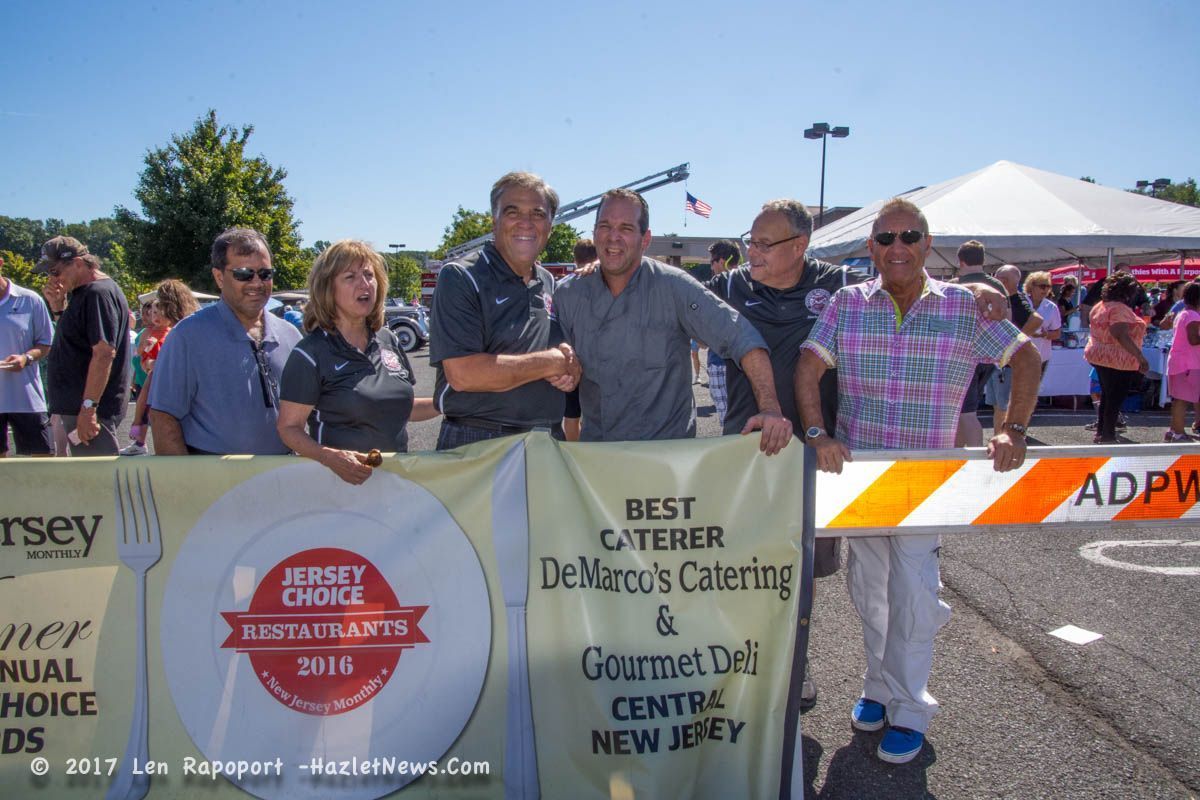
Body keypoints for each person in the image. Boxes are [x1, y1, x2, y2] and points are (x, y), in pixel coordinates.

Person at [796, 197, 1039, 765]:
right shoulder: (848, 303)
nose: (897, 247)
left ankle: (909, 709)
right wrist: (815, 432)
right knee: (870, 593)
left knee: (912, 595)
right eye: (885, 239)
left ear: (929, 244)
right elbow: (808, 365)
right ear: (871, 248)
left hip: (927, 480)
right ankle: (878, 688)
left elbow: (1024, 359)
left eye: (910, 236)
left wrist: (1016, 429)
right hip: (862, 479)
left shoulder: (963, 307)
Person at [552, 188, 791, 453]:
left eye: (626, 228)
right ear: (594, 232)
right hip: (600, 459)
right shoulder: (568, 294)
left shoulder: (674, 286)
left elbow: (743, 339)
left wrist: (770, 409)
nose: (613, 237)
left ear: (646, 239)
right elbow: (552, 361)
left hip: (668, 464)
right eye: (604, 226)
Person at [429, 171, 580, 450]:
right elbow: (463, 374)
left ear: (550, 224)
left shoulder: (548, 282)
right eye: (513, 212)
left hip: (545, 439)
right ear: (494, 220)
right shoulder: (462, 276)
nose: (526, 223)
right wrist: (551, 362)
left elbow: (560, 355)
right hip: (479, 440)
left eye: (538, 213)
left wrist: (569, 371)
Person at [278, 240, 439, 483]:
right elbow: (288, 428)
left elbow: (401, 408)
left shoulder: (388, 340)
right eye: (350, 277)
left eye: (368, 275)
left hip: (395, 484)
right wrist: (329, 457)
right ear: (328, 288)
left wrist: (446, 402)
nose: (364, 284)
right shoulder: (310, 353)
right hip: (337, 488)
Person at [149, 228, 301, 455]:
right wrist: (183, 486)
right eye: (244, 274)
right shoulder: (188, 336)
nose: (257, 283)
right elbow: (163, 418)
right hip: (215, 482)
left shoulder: (290, 335)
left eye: (265, 274)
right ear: (219, 277)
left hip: (280, 478)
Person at [36, 236, 131, 455]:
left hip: (90, 411)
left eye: (55, 271)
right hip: (80, 408)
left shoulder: (97, 293)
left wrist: (89, 409)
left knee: (99, 482)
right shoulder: (85, 293)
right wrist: (59, 309)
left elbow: (104, 353)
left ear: (78, 263)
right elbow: (76, 342)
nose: (52, 279)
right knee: (92, 479)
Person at [122, 280, 200, 455]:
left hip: (175, 406)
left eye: (160, 305)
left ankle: (137, 427)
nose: (153, 311)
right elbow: (144, 362)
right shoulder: (188, 328)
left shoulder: (180, 331)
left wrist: (153, 365)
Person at [1083, 272, 1149, 445]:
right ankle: (1108, 435)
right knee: (1115, 398)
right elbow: (1119, 333)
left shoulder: (1100, 305)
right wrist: (1140, 357)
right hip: (1117, 358)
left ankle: (1102, 432)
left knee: (1107, 395)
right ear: (1128, 292)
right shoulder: (1119, 308)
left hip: (1099, 354)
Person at [951, 240, 1006, 447]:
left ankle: (970, 461)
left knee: (965, 413)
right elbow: (1007, 319)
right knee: (965, 412)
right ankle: (959, 456)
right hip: (990, 357)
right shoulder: (997, 285)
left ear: (960, 260)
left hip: (964, 357)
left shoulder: (956, 285)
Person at [0, 254, 54, 456]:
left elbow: (46, 342)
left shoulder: (30, 300)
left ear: (0, 264)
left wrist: (26, 358)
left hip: (26, 398)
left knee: (42, 461)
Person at [988, 265, 1042, 434]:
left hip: (1008, 362)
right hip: (997, 359)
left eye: (1001, 278)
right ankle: (998, 434)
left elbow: (1037, 320)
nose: (997, 281)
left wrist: (1015, 343)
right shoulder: (1002, 297)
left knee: (1004, 404)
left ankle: (1006, 436)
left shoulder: (1017, 299)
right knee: (998, 404)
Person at [562, 238, 597, 442]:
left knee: (572, 416)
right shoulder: (607, 283)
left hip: (570, 361)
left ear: (575, 259)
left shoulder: (563, 287)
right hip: (597, 362)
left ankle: (574, 457)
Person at [704, 238, 741, 426]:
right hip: (748, 363)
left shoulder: (716, 287)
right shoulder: (751, 284)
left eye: (712, 262)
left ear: (721, 261)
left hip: (720, 361)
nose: (711, 267)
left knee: (726, 419)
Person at [1164, 282, 1200, 442]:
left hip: (1178, 362)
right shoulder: (1193, 315)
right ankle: (1178, 432)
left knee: (1178, 399)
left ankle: (1173, 430)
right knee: (1182, 400)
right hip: (1188, 364)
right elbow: (1193, 339)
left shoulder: (1183, 313)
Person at [1023, 270, 1063, 379]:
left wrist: (1045, 334)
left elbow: (1057, 333)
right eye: (1042, 286)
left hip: (1040, 357)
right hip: (1020, 355)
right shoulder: (1021, 303)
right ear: (1031, 286)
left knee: (1033, 390)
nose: (1045, 289)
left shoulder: (1051, 307)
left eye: (1048, 286)